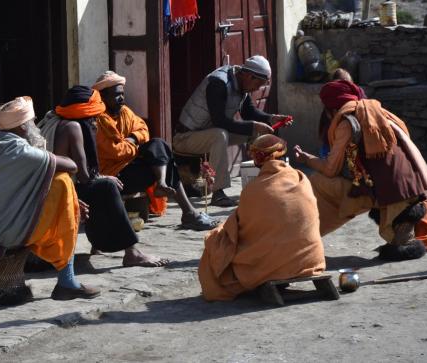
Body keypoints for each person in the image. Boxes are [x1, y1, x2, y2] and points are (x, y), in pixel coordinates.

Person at [0, 96, 100, 304]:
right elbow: (72, 165)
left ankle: (66, 279)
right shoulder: (17, 150)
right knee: (62, 182)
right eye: (32, 123)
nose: (35, 128)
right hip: (3, 233)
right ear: (22, 127)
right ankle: (66, 282)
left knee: (60, 190)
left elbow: (25, 189)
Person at [294, 79, 427, 261]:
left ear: (332, 108)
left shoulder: (347, 122)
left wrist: (307, 158)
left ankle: (303, 237)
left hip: (389, 191)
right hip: (412, 185)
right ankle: (400, 234)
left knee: (318, 182)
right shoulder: (380, 112)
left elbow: (330, 169)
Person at [38, 86, 169, 267]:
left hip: (54, 186)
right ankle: (131, 252)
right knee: (107, 187)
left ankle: (99, 243)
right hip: (58, 189)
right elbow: (84, 176)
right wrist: (103, 178)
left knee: (104, 185)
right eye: (93, 116)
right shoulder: (73, 127)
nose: (94, 121)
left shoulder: (53, 119)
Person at [198, 134, 326, 301]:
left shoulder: (253, 190)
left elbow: (241, 230)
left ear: (257, 159)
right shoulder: (302, 179)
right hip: (311, 261)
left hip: (273, 265)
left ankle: (266, 272)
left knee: (215, 244)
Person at [92, 71, 218, 231]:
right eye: (117, 95)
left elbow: (143, 129)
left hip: (129, 165)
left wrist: (131, 139)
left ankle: (165, 185)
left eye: (122, 94)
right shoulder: (98, 120)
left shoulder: (124, 112)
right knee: (167, 161)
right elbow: (116, 152)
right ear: (103, 97)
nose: (121, 98)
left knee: (159, 144)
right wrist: (136, 144)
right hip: (114, 176)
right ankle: (187, 212)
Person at [173, 55, 291, 207]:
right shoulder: (219, 83)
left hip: (208, 133)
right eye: (258, 84)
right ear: (249, 76)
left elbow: (249, 113)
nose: (257, 89)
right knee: (220, 135)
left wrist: (272, 118)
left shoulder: (242, 84)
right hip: (185, 138)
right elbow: (220, 121)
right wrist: (254, 125)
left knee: (254, 133)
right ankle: (218, 192)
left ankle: (264, 181)